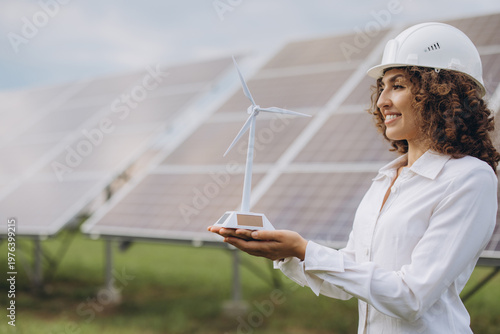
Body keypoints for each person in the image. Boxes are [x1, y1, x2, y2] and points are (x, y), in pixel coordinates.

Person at [208, 22, 499, 333]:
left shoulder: (469, 179)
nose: (381, 101)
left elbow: (412, 297)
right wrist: (287, 253)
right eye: (382, 87)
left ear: (441, 93)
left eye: (397, 85)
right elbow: (350, 279)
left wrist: (304, 249)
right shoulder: (387, 178)